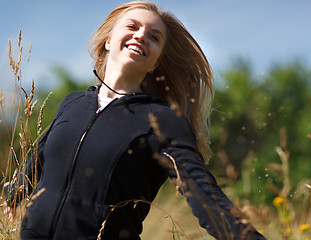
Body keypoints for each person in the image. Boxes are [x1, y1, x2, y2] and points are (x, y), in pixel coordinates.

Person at [5, 1, 266, 239]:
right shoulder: (72, 103)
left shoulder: (161, 119)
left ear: (155, 63)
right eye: (132, 26)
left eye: (154, 37)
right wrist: (12, 196)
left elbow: (202, 193)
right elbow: (41, 155)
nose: (141, 35)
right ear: (108, 40)